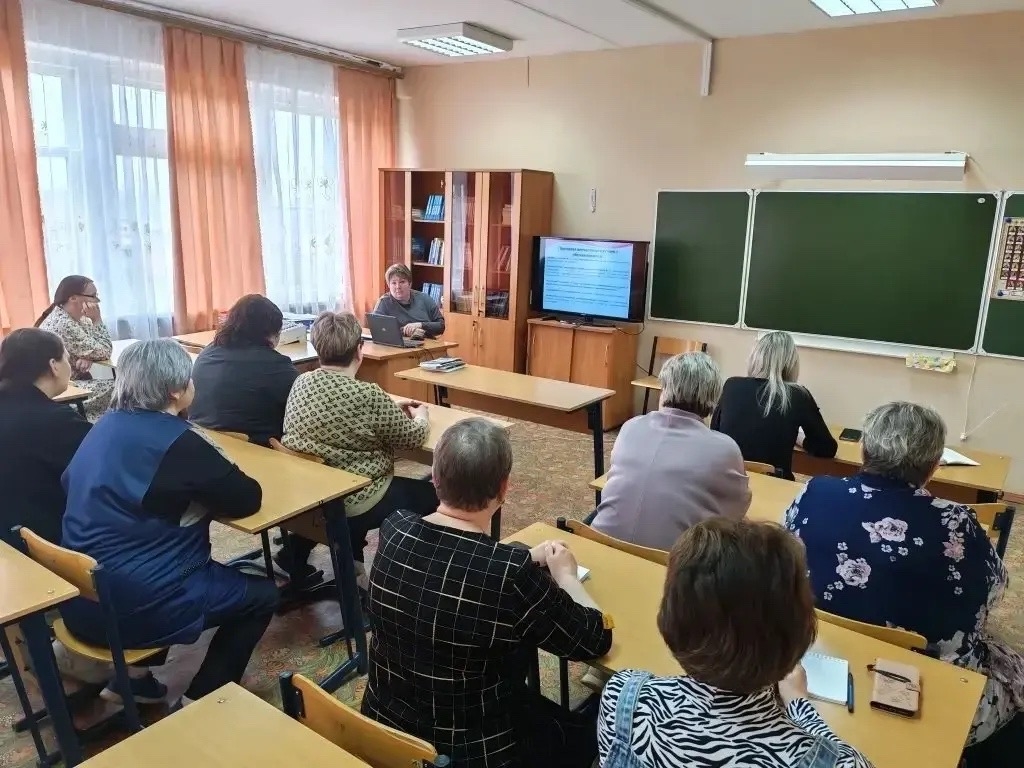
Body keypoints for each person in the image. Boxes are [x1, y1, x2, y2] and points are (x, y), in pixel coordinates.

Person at [363, 418, 613, 768]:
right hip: (470, 753)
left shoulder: (395, 529)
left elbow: (451, 568)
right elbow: (594, 638)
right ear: (504, 488)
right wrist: (568, 577)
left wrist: (526, 556)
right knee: (592, 728)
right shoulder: (509, 575)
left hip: (384, 731)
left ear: (435, 478)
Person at [785, 401, 1023, 756]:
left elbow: (783, 557)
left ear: (864, 449)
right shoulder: (957, 522)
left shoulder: (814, 491)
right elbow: (992, 595)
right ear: (933, 465)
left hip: (817, 655)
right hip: (923, 690)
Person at [60, 340, 278, 707]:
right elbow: (246, 498)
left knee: (147, 558)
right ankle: (201, 699)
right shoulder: (178, 443)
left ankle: (134, 681)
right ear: (177, 390)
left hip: (79, 598)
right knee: (263, 595)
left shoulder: (101, 427)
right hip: (137, 606)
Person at [598, 517, 873, 768]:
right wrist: (800, 704)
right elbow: (834, 755)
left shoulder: (624, 697)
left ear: (673, 618)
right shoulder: (842, 764)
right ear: (798, 633)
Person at [280, 310, 437, 580]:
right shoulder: (367, 395)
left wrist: (387, 410)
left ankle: (317, 557)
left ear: (317, 348)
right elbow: (411, 438)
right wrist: (422, 417)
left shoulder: (301, 382)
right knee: (436, 495)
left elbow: (336, 417)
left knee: (349, 470)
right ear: (359, 350)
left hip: (310, 492)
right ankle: (417, 575)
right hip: (354, 499)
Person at [589, 351, 750, 550]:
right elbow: (737, 511)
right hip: (672, 565)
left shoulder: (631, 427)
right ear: (712, 397)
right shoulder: (725, 448)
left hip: (598, 544)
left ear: (664, 388)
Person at [0, 328, 90, 545]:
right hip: (41, 538)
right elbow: (101, 469)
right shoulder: (56, 420)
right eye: (66, 358)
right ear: (54, 366)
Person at [711, 330, 837, 479]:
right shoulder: (798, 395)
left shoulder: (732, 385)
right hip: (776, 482)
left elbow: (714, 431)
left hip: (730, 479)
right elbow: (827, 448)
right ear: (791, 363)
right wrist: (799, 439)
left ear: (755, 357)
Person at [189, 294, 298, 446]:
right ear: (270, 333)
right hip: (257, 450)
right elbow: (299, 407)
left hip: (202, 442)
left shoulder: (207, 353)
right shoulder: (276, 366)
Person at [35, 275, 114, 421]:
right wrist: (97, 320)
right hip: (61, 389)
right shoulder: (64, 323)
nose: (97, 301)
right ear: (73, 298)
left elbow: (93, 345)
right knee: (119, 388)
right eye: (93, 296)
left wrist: (87, 355)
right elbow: (105, 351)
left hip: (68, 380)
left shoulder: (75, 317)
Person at [372, 263, 445, 338]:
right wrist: (406, 331)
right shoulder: (384, 302)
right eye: (393, 283)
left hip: (428, 346)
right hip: (396, 347)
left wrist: (420, 325)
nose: (398, 287)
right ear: (388, 285)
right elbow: (377, 329)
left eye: (402, 282)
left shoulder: (425, 298)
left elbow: (441, 326)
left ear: (410, 284)